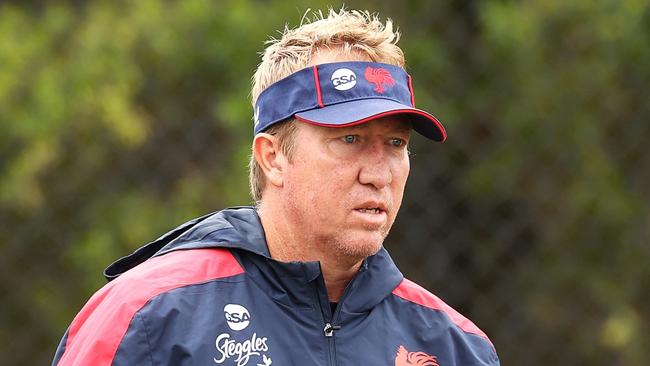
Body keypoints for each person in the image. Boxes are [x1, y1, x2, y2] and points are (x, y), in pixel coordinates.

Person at [52, 9, 499, 366]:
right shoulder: (147, 316)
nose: (378, 172)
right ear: (273, 157)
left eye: (396, 143)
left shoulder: (455, 346)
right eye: (349, 139)